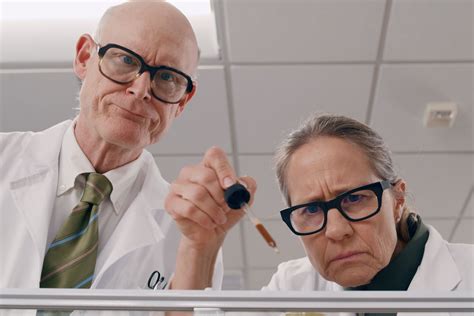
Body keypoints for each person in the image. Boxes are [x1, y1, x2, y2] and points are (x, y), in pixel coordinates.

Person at [0, 1, 255, 291]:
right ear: (84, 57)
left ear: (183, 100)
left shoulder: (188, 236)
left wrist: (198, 252)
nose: (141, 89)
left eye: (167, 77)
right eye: (126, 60)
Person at [265, 114, 473, 297]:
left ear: (398, 199)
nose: (337, 231)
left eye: (354, 199)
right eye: (311, 210)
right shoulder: (291, 287)